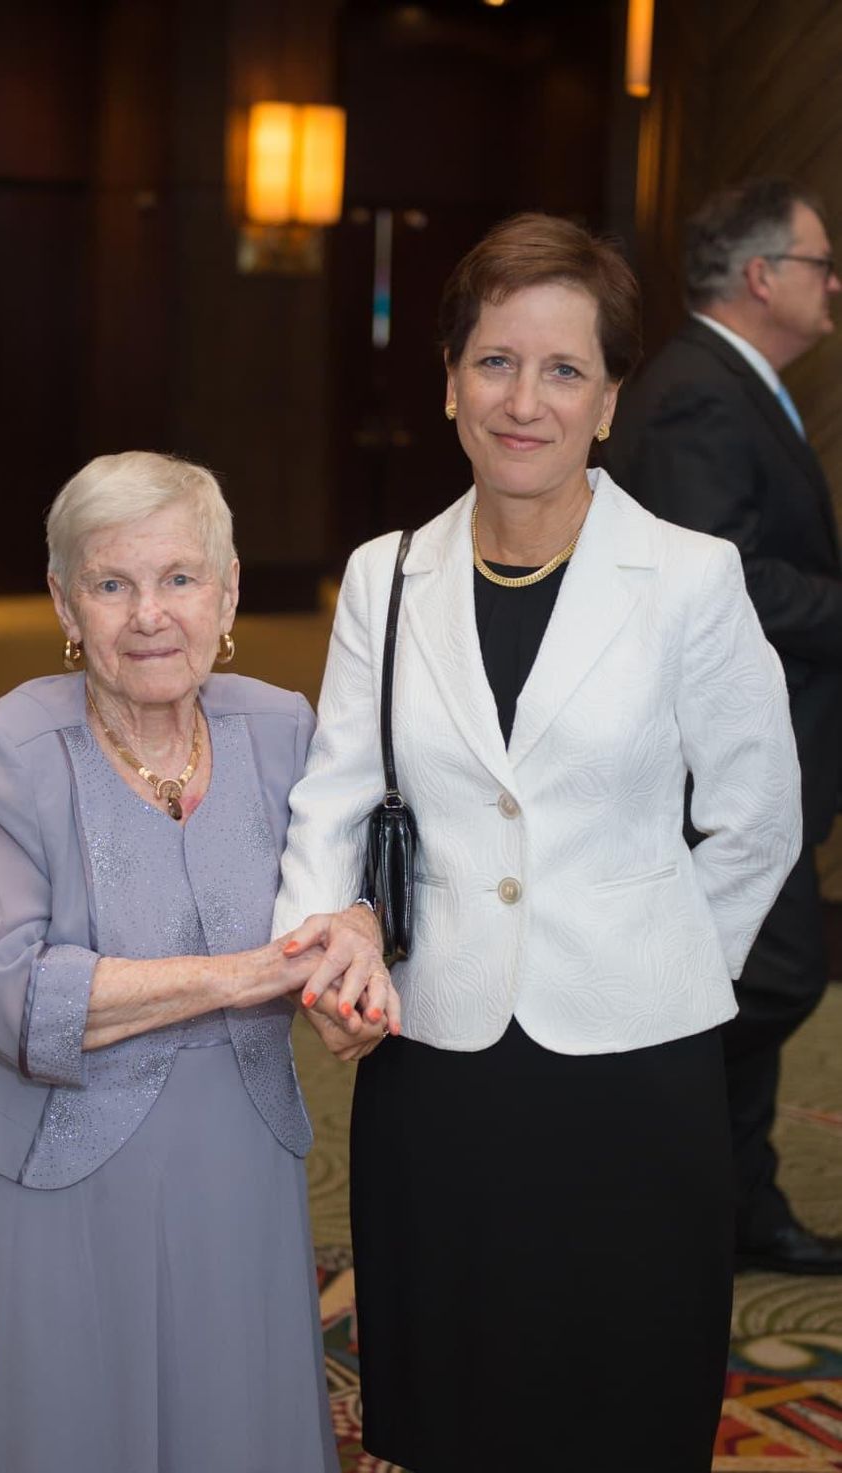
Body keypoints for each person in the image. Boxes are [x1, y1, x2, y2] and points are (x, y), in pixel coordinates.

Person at [274, 213, 802, 1473]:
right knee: (448, 1393)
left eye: (563, 370)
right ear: (449, 377)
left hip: (634, 1064)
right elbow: (330, 804)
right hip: (437, 1058)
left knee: (618, 1395)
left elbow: (757, 814)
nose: (526, 400)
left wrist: (662, 959)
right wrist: (321, 957)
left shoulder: (686, 578)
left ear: (610, 399)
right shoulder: (384, 578)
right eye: (496, 362)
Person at [0, 450, 394, 1473]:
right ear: (64, 600)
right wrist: (257, 974)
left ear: (227, 592)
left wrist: (349, 958)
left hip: (238, 1151)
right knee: (61, 1428)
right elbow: (14, 994)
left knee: (231, 1424)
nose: (150, 615)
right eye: (111, 583)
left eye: (180, 579)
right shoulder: (3, 754)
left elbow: (339, 899)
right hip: (53, 1167)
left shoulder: (280, 730)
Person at [601, 178, 842, 1275]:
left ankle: (734, 1205)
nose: (831, 284)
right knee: (772, 972)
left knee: (754, 966)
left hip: (758, 742)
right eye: (818, 265)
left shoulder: (729, 381)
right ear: (761, 277)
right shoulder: (699, 391)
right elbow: (720, 581)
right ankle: (633, 1143)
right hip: (722, 754)